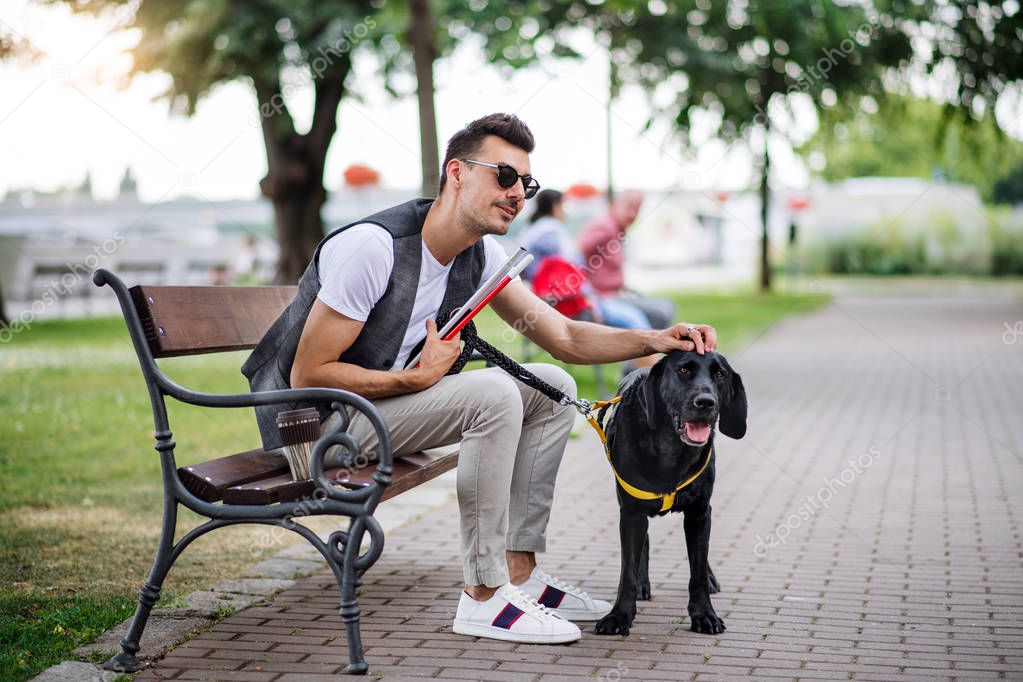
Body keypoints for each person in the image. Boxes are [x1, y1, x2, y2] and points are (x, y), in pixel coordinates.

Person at [242, 113, 717, 645]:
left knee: (551, 385)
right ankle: (483, 597)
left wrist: (654, 340)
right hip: (315, 429)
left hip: (378, 415)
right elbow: (309, 375)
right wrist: (415, 379)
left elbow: (564, 337)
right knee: (491, 394)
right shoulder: (373, 248)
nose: (517, 194)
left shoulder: (480, 255)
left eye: (526, 183)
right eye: (504, 176)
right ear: (457, 173)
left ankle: (521, 574)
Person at [577, 190, 678, 330]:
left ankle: (655, 348)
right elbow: (576, 254)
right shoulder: (604, 227)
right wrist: (588, 295)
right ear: (617, 203)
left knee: (667, 306)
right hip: (602, 299)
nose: (632, 214)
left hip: (617, 295)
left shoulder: (616, 229)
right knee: (657, 315)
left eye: (637, 209)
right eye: (629, 207)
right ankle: (650, 350)